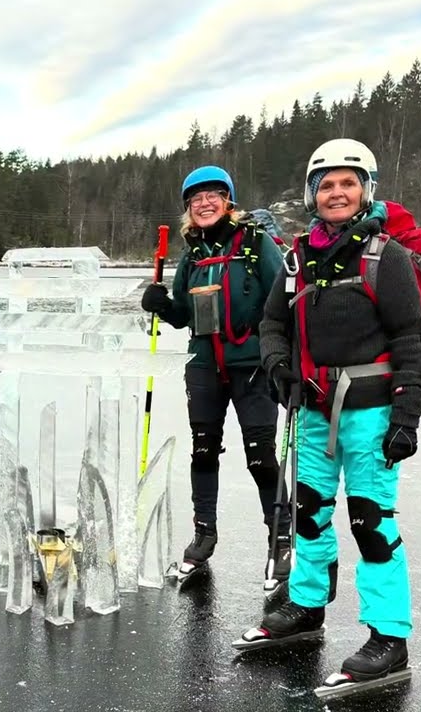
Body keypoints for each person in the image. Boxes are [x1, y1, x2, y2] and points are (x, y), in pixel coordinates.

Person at [239, 138, 421, 691]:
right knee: (309, 514)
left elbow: (411, 339)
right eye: (326, 185)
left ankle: (390, 638)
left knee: (371, 522)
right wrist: (278, 365)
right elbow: (273, 322)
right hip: (313, 411)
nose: (336, 192)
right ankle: (306, 604)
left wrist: (406, 417)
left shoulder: (384, 257)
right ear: (311, 195)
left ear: (366, 190)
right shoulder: (298, 259)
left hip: (372, 414)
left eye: (348, 183)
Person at [138, 165, 292, 584]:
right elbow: (183, 316)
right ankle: (204, 535)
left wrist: (282, 355)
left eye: (213, 196)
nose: (204, 203)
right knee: (203, 451)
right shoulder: (192, 256)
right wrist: (160, 304)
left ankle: (281, 539)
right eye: (196, 198)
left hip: (253, 365)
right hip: (204, 366)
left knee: (260, 457)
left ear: (228, 203)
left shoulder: (256, 244)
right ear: (188, 207)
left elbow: (283, 298)